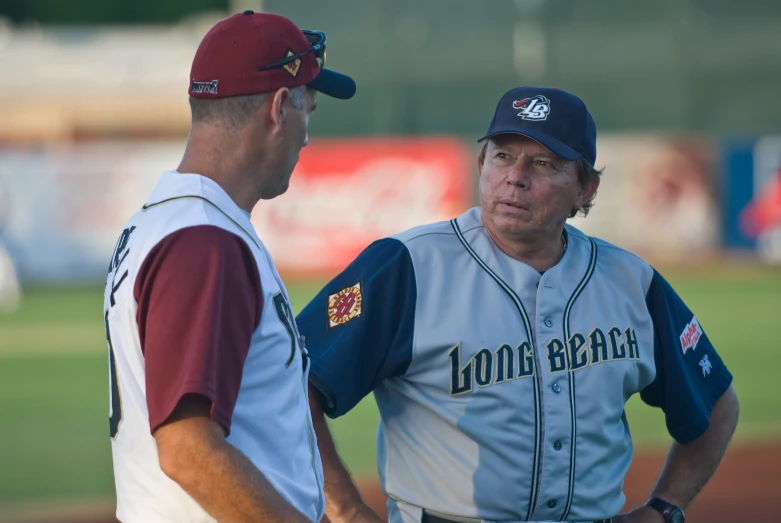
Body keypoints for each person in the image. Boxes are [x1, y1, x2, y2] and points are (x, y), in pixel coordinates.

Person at [297, 87, 739, 523]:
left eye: (543, 163)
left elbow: (717, 401)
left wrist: (664, 508)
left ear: (585, 188)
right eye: (503, 156)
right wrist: (348, 511)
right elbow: (292, 382)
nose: (516, 177)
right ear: (481, 165)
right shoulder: (406, 266)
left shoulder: (630, 281)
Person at [103, 11, 355, 522]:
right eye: (309, 106)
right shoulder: (203, 239)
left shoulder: (169, 220)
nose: (307, 136)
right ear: (280, 107)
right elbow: (187, 451)